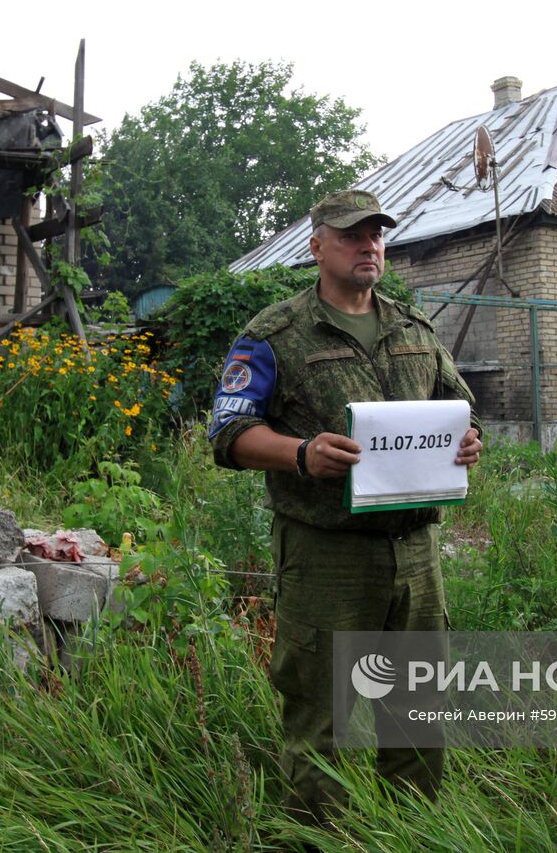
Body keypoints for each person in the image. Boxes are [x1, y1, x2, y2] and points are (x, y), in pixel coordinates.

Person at [208, 188, 483, 824]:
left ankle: (412, 833)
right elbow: (228, 432)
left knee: (417, 711)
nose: (369, 245)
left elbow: (464, 410)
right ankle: (314, 838)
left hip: (415, 555)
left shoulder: (414, 329)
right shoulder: (275, 334)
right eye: (353, 235)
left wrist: (470, 442)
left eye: (377, 235)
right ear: (317, 247)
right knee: (320, 715)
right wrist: (301, 454)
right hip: (326, 555)